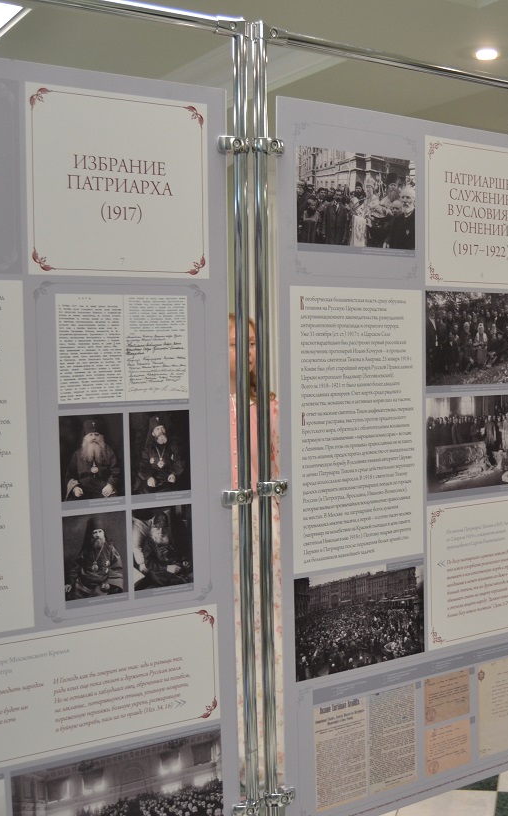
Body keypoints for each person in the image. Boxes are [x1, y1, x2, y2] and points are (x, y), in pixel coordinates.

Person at [228, 313, 285, 777]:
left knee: (269, 633)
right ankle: (240, 752)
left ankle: (274, 748)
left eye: (251, 343)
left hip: (264, 527)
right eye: (236, 343)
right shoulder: (204, 407)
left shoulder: (267, 404)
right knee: (235, 637)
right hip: (225, 533)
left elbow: (278, 467)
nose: (248, 352)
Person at [132, 508, 192, 590]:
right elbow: (149, 563)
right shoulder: (149, 542)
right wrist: (167, 567)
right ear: (153, 529)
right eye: (158, 528)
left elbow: (178, 551)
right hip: (160, 572)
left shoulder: (169, 537)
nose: (161, 532)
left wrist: (184, 560)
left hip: (176, 566)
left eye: (164, 528)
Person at [65, 517, 124, 599]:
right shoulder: (85, 551)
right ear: (91, 535)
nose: (98, 535)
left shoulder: (110, 550)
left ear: (104, 533)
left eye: (100, 531)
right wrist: (70, 583)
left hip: (101, 586)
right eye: (95, 532)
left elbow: (117, 568)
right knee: (72, 596)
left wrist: (109, 584)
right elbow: (76, 567)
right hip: (82, 586)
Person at [65, 418, 123, 500]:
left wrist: (110, 485)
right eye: (91, 435)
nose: (93, 438)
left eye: (96, 435)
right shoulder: (77, 454)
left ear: (101, 437)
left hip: (103, 488)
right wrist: (75, 488)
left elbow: (116, 471)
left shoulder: (109, 452)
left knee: (114, 502)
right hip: (83, 488)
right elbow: (70, 475)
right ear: (85, 438)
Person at [134, 414, 186, 493]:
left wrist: (174, 474)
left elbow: (179, 461)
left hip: (169, 478)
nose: (161, 431)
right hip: (152, 479)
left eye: (162, 428)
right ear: (153, 433)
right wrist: (148, 477)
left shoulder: (173, 445)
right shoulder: (148, 448)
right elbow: (143, 463)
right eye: (157, 429)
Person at [386, 185, 415, 249]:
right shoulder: (397, 218)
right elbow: (392, 237)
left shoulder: (418, 219)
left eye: (408, 197)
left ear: (414, 200)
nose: (404, 200)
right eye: (402, 197)